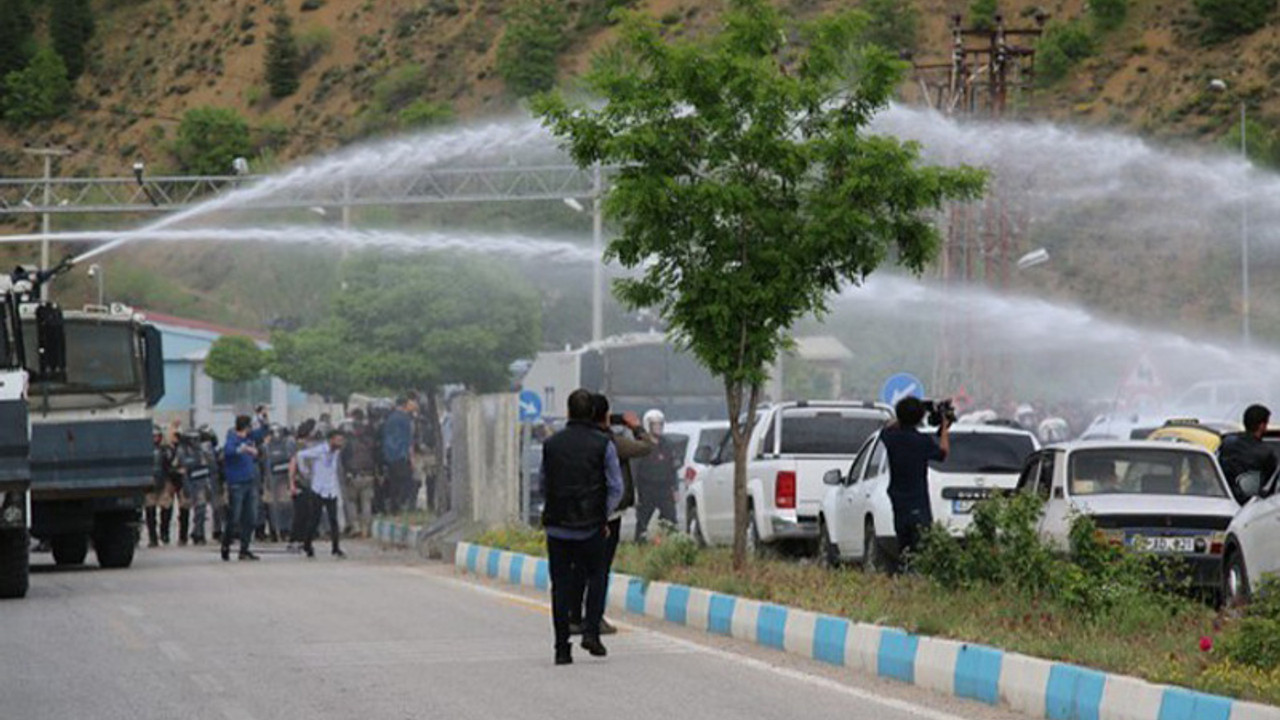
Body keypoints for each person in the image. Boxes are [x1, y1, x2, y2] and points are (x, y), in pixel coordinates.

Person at [541, 389, 623, 666]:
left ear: (568, 412)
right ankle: (591, 632)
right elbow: (616, 487)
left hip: (557, 528)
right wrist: (603, 515)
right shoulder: (604, 444)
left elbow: (543, 483)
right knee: (597, 576)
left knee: (560, 586)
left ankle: (561, 647)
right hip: (591, 527)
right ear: (592, 413)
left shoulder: (551, 444)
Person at [569, 395, 652, 636]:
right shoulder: (611, 442)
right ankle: (594, 619)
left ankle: (574, 617)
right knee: (599, 570)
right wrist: (635, 426)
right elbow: (646, 447)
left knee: (580, 567)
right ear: (604, 416)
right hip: (607, 515)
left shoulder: (575, 441)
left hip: (579, 512)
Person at [879, 397, 950, 570]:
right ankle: (916, 577)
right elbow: (943, 453)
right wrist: (945, 428)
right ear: (919, 419)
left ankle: (905, 574)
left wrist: (907, 414)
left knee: (904, 545)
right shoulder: (922, 442)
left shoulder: (890, 437)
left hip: (898, 501)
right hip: (918, 502)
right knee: (922, 547)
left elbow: (887, 427)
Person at [222, 415, 271, 562]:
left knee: (251, 517)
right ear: (246, 426)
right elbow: (228, 451)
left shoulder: (250, 437)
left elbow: (263, 432)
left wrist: (263, 418)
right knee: (234, 517)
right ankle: (226, 545)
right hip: (237, 483)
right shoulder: (232, 438)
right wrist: (244, 449)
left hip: (250, 482)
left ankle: (244, 550)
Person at [295, 429, 347, 559]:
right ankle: (307, 545)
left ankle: (336, 548)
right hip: (318, 489)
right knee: (314, 520)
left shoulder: (336, 452)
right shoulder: (319, 450)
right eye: (338, 440)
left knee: (333, 520)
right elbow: (300, 455)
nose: (340, 443)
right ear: (331, 440)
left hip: (331, 489)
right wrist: (304, 471)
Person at [632, 409, 681, 543]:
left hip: (664, 488)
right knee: (642, 521)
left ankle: (673, 545)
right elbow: (634, 469)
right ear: (648, 425)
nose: (659, 427)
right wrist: (635, 490)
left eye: (660, 424)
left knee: (671, 520)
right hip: (646, 489)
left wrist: (675, 488)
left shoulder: (667, 444)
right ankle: (639, 545)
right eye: (655, 424)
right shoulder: (641, 444)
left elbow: (673, 469)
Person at [1219, 404, 1278, 504]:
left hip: (1226, 498)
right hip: (1253, 503)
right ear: (1262, 425)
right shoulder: (1266, 453)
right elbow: (1271, 480)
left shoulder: (1228, 444)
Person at [342, 409, 378, 538]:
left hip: (353, 475)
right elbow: (376, 456)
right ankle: (366, 529)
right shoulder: (370, 442)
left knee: (351, 502)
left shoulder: (348, 443)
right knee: (366, 502)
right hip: (368, 474)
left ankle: (355, 527)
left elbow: (343, 459)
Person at [381, 395, 416, 514]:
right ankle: (401, 506)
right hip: (402, 455)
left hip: (390, 456)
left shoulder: (389, 418)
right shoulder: (405, 419)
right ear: (405, 405)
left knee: (394, 483)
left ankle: (393, 508)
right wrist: (412, 459)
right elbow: (408, 441)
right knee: (407, 483)